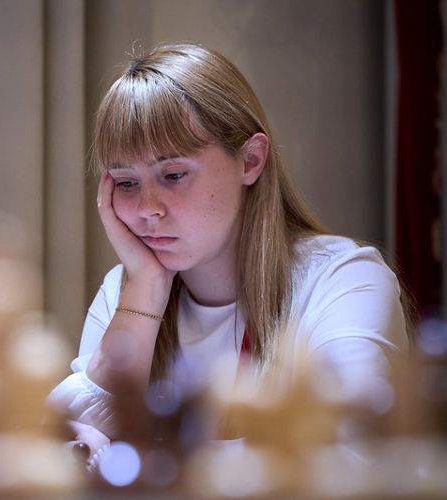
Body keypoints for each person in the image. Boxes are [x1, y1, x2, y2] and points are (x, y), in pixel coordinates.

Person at [47, 43, 410, 456]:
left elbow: (345, 453)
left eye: (173, 174)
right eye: (127, 183)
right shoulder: (125, 289)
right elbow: (64, 445)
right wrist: (145, 289)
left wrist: (146, 460)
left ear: (251, 161)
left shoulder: (345, 279)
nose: (147, 208)